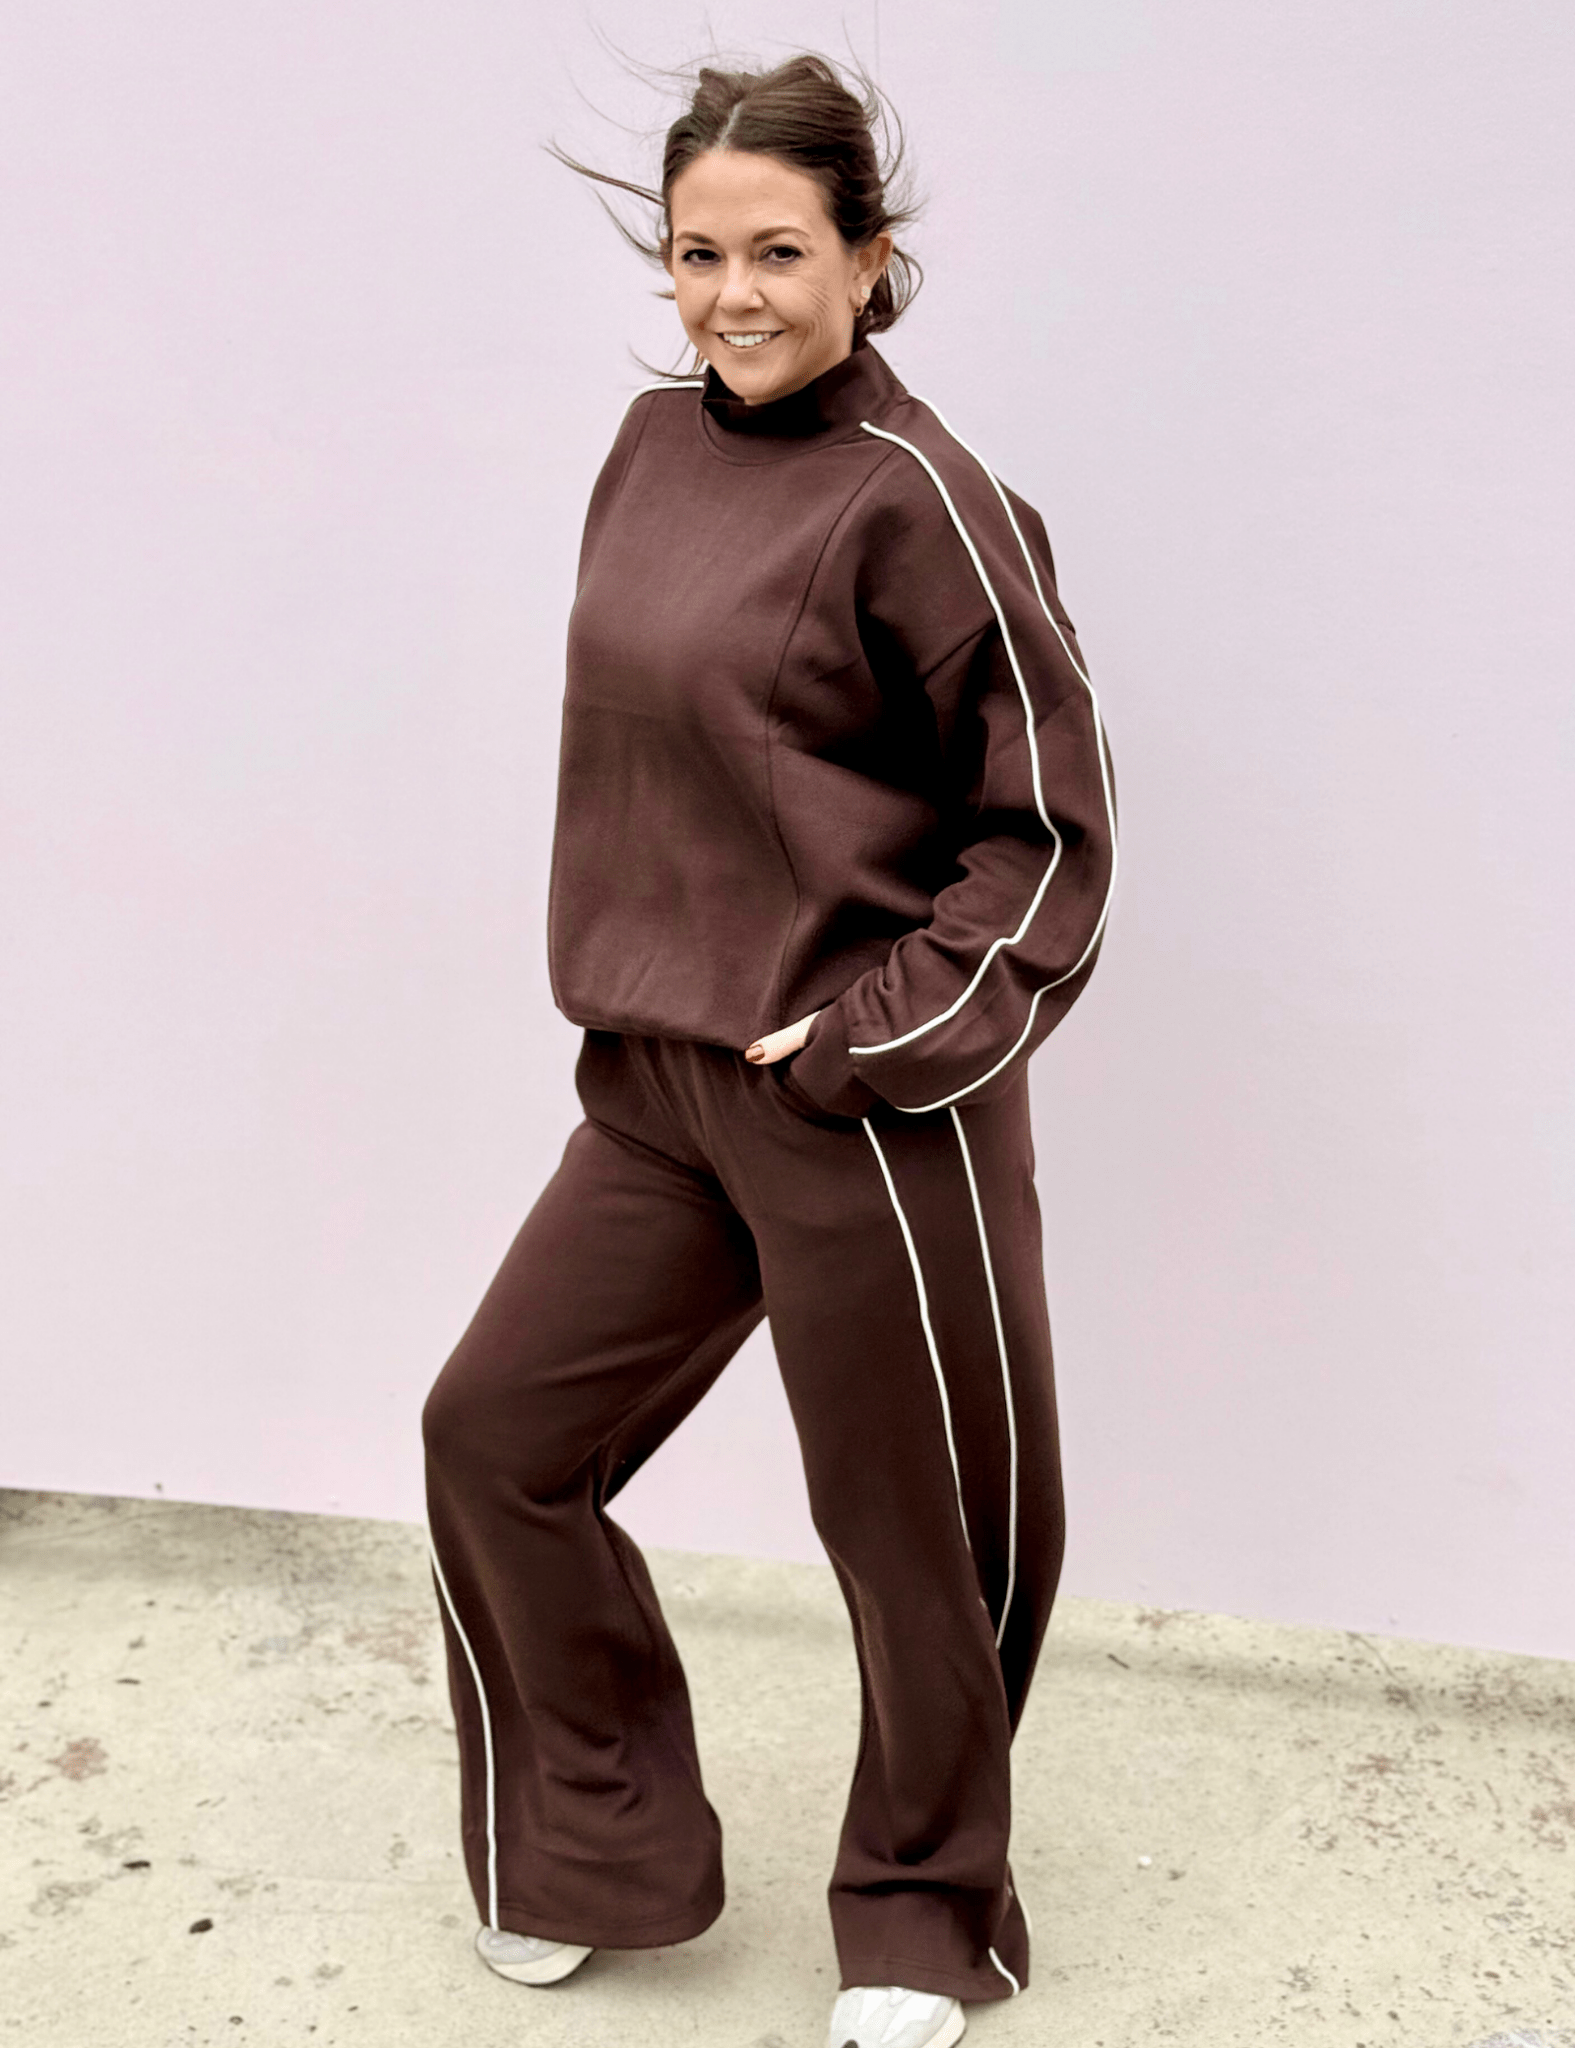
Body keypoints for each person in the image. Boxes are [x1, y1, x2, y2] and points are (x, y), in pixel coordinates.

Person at [420, 49, 1117, 2048]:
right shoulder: (649, 449)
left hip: (858, 1096)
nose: (732, 293)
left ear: (868, 259)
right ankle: (590, 1849)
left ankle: (923, 1913)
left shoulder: (927, 501)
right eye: (699, 251)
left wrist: (875, 1040)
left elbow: (1048, 835)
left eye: (781, 252)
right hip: (658, 1079)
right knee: (494, 1442)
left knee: (920, 1537)